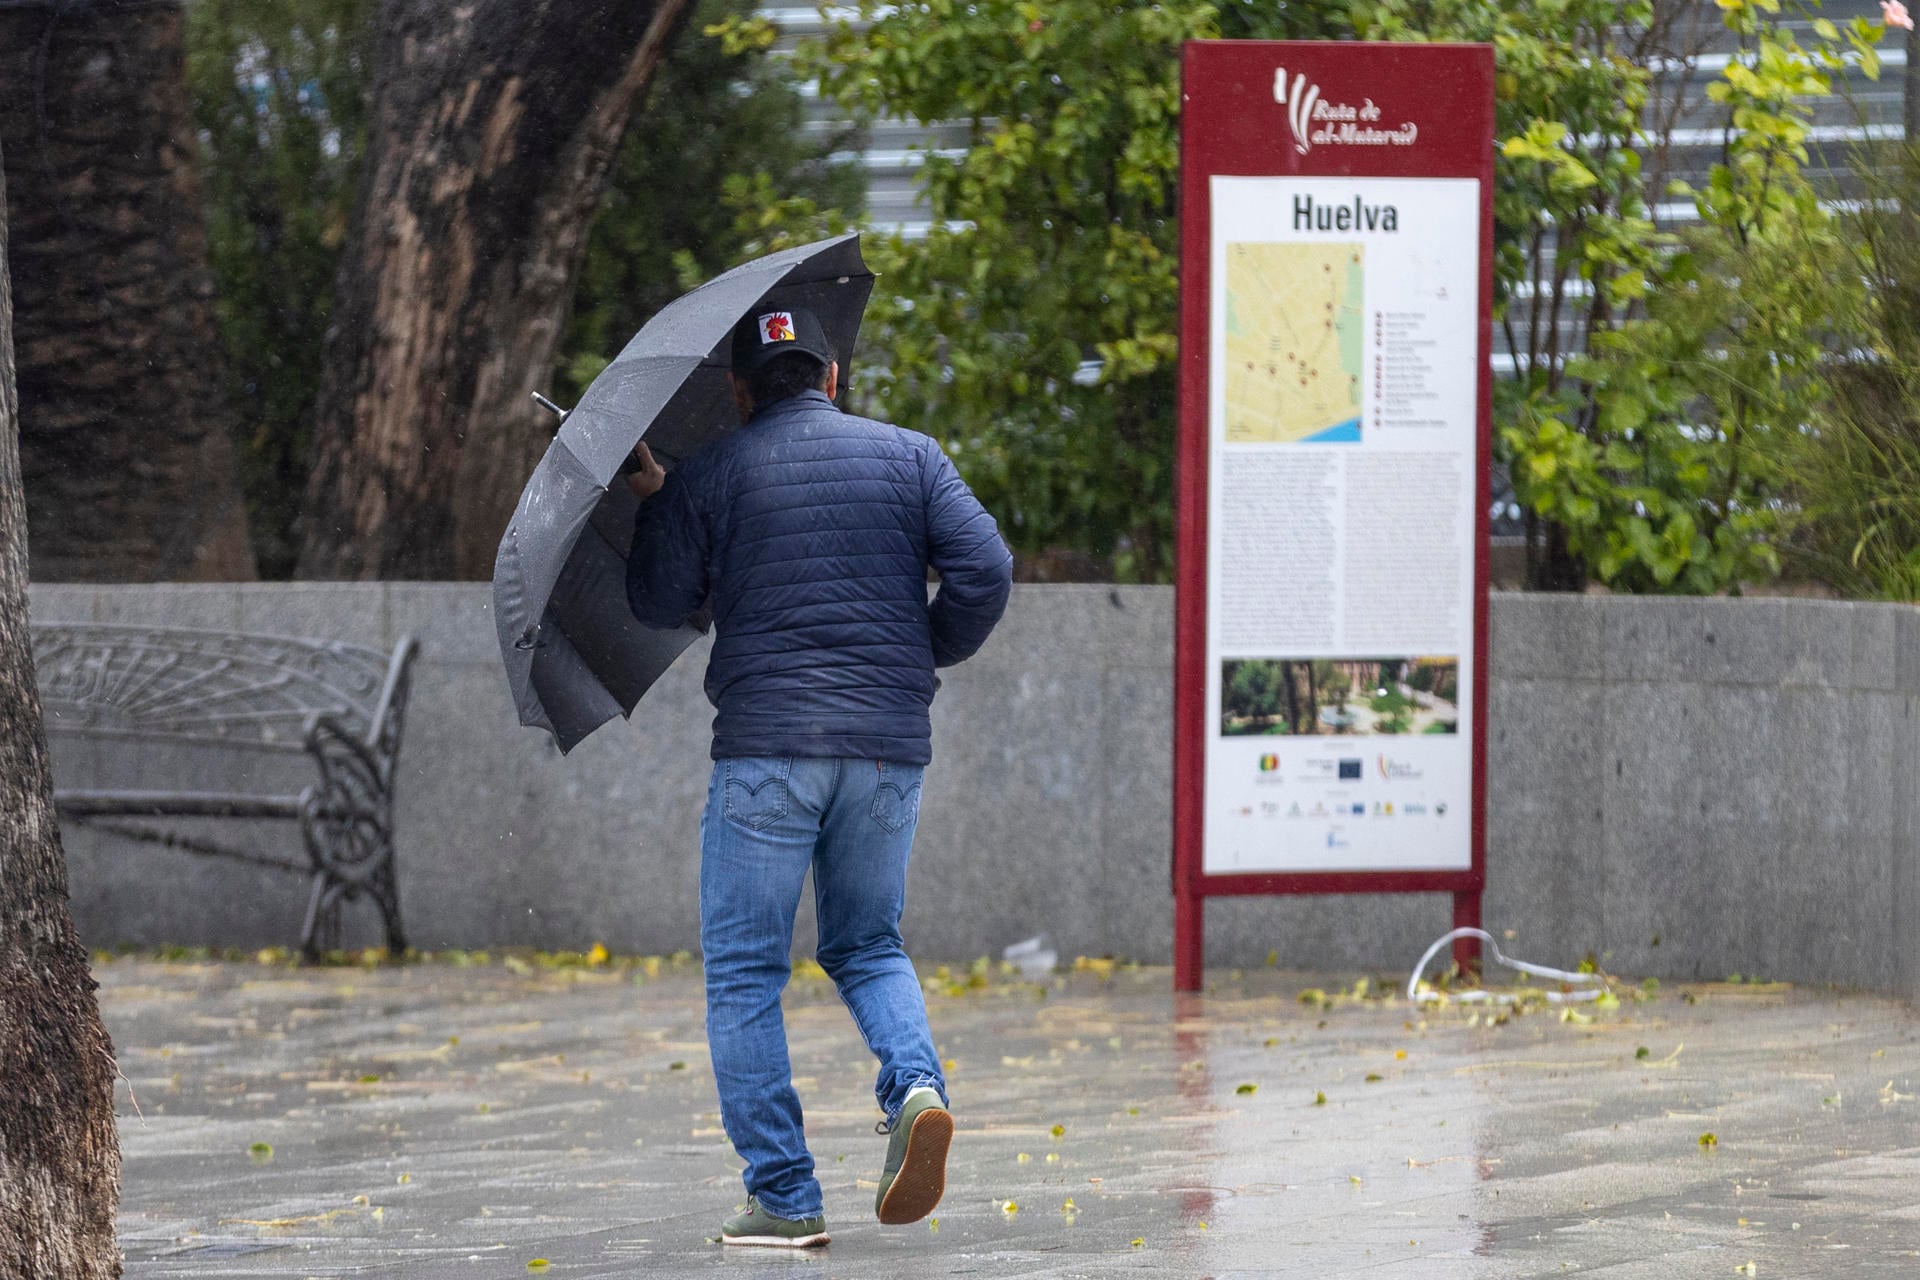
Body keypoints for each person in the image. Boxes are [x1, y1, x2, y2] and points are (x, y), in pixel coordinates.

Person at [624, 305, 1013, 1248]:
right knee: (869, 945)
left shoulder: (714, 472)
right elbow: (987, 568)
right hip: (885, 751)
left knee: (747, 974)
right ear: (831, 377)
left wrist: (658, 499)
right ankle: (915, 1087)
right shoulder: (913, 457)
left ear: (739, 389)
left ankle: (786, 1197)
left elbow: (657, 601)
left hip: (766, 754)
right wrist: (922, 651)